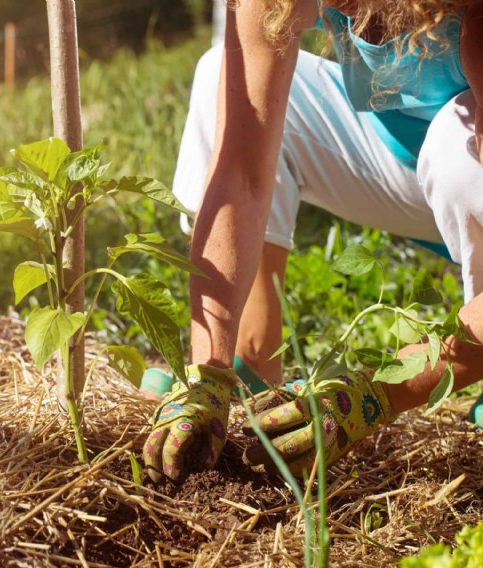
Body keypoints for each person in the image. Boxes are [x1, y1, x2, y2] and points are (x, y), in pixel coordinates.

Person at [143, 0, 483, 482]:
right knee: (221, 71)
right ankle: (251, 358)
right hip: (404, 158)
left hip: (467, 168)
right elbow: (242, 170)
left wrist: (376, 394)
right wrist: (207, 370)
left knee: (456, 148)